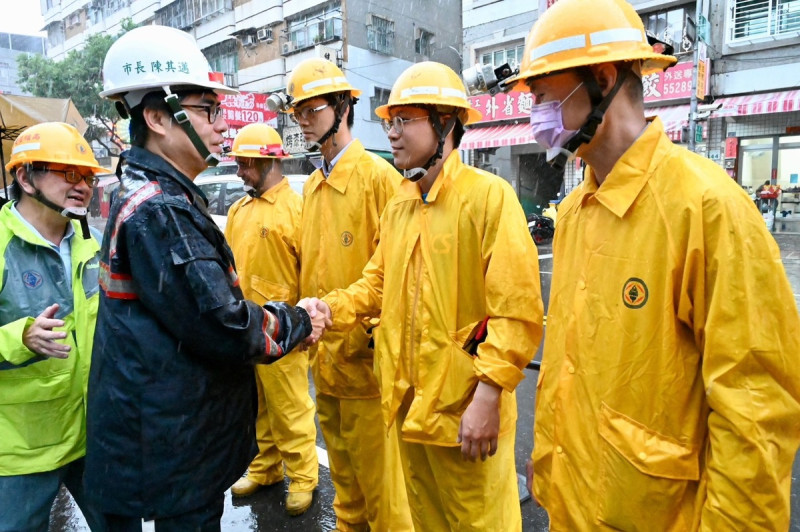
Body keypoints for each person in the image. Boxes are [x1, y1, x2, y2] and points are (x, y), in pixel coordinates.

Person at [506, 0, 800, 529]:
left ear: (602, 78)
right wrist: (552, 459)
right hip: (573, 508)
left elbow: (755, 414)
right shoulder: (575, 212)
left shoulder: (708, 209)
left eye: (545, 96)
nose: (535, 116)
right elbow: (574, 368)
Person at [85, 25, 326, 530]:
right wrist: (299, 320)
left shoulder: (151, 196)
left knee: (290, 418)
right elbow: (223, 324)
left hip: (167, 430)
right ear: (157, 117)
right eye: (207, 110)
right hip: (174, 442)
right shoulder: (162, 211)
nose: (222, 127)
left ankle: (301, 476)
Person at [302, 62, 544, 531]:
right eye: (390, 122)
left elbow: (515, 311)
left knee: (481, 523)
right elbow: (377, 283)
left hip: (464, 416)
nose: (391, 133)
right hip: (409, 409)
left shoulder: (488, 198)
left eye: (404, 120)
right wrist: (330, 309)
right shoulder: (402, 203)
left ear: (445, 123)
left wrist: (489, 395)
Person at [279, 57, 412, 532]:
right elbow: (309, 268)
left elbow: (396, 273)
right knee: (347, 492)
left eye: (311, 109)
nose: (303, 120)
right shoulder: (313, 184)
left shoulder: (380, 179)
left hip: (366, 369)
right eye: (297, 112)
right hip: (325, 362)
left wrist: (369, 334)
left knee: (386, 500)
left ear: (341, 106)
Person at [0, 122, 107, 532]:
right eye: (67, 173)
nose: (82, 185)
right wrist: (20, 337)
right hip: (21, 450)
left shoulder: (95, 244)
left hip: (93, 437)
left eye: (88, 176)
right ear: (25, 177)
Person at [224, 123, 318, 516]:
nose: (242, 171)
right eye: (240, 163)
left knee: (291, 409)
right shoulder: (238, 210)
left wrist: (308, 324)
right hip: (247, 330)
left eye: (247, 163)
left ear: (270, 161)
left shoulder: (296, 209)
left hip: (285, 333)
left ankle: (303, 477)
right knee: (257, 406)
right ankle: (265, 469)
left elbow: (311, 271)